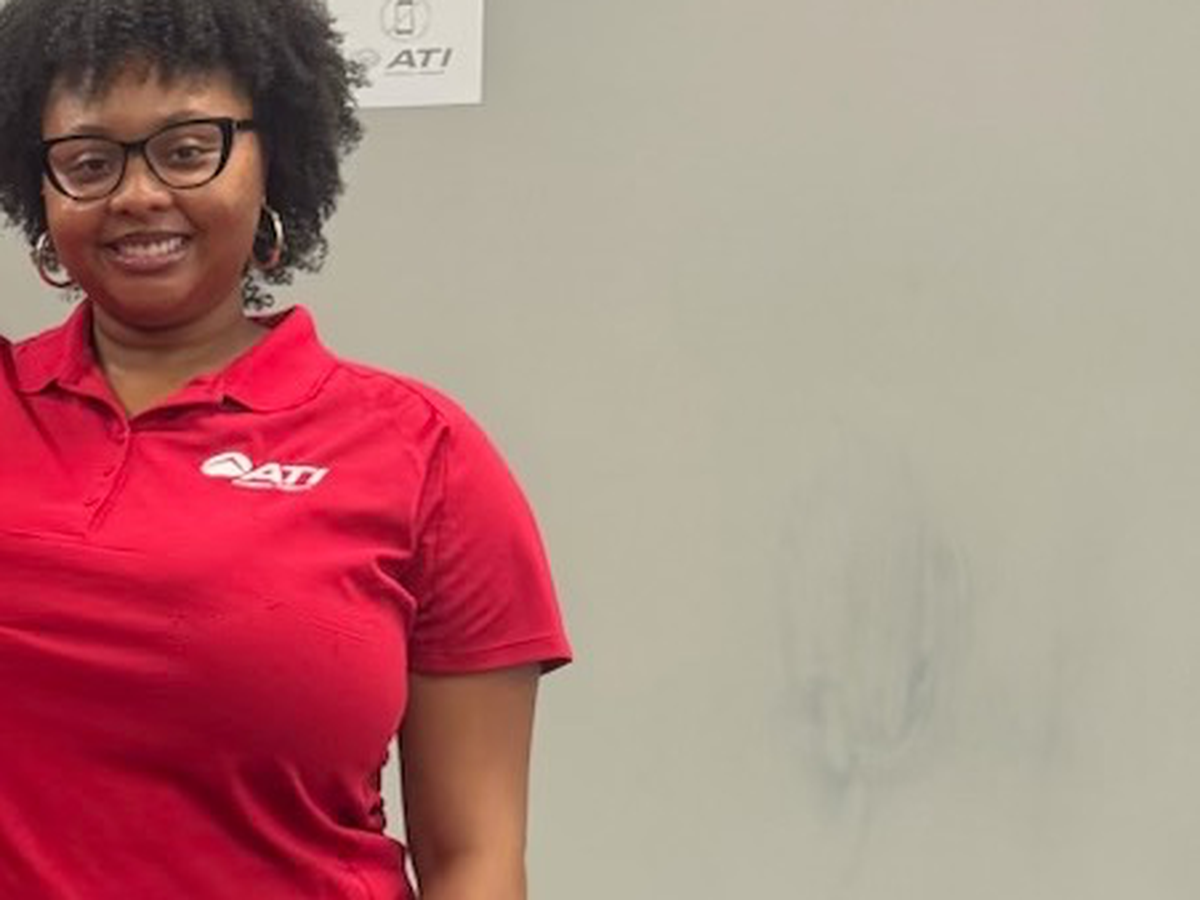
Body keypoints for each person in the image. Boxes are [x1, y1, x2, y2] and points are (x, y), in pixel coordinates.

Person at [0, 1, 572, 897]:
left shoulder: (423, 454)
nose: (137, 194)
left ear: (276, 160)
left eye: (188, 149)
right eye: (88, 162)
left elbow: (475, 857)